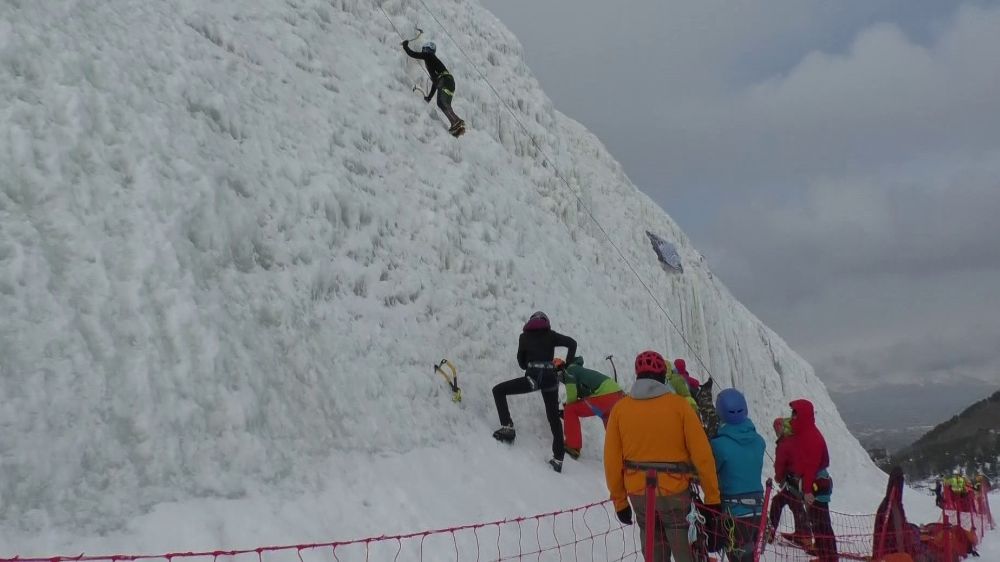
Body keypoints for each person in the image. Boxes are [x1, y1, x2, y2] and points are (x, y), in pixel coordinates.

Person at [603, 350, 720, 562]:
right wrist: (712, 497)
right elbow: (703, 455)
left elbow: (611, 460)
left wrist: (619, 502)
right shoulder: (680, 406)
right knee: (685, 550)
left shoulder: (620, 409)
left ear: (637, 376)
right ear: (663, 376)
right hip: (675, 492)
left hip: (638, 493)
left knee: (653, 549)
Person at [492, 311, 576, 473]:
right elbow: (572, 343)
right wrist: (566, 365)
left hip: (533, 379)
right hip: (550, 380)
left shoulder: (524, 337)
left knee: (498, 390)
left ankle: (508, 428)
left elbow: (521, 363)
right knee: (553, 418)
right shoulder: (551, 335)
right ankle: (558, 459)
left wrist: (529, 361)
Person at [709, 389, 766, 562]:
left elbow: (712, 472)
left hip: (734, 514)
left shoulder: (718, 445)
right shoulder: (759, 441)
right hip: (758, 512)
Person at [786, 399, 838, 562]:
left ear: (802, 415)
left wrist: (807, 490)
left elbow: (811, 466)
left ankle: (829, 558)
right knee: (818, 523)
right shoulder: (805, 433)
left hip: (816, 483)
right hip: (815, 482)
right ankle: (825, 556)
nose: (792, 417)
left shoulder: (811, 437)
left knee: (821, 523)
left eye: (795, 414)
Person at [555, 356, 624, 460]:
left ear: (561, 369)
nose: (559, 378)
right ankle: (624, 454)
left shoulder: (570, 371)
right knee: (611, 427)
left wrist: (565, 412)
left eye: (558, 375)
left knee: (570, 409)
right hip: (617, 396)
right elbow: (582, 400)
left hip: (606, 396)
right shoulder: (578, 371)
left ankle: (573, 446)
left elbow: (572, 398)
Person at [401, 40, 465, 135]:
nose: (423, 51)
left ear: (427, 49)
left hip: (444, 80)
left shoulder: (429, 56)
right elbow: (435, 84)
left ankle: (456, 121)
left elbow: (413, 54)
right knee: (442, 103)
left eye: (424, 49)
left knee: (441, 102)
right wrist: (429, 98)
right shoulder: (432, 62)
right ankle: (456, 126)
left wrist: (405, 46)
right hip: (448, 81)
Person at [769, 417, 810, 546]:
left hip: (790, 481)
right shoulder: (795, 440)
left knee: (783, 503)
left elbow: (780, 464)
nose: (776, 431)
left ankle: (770, 533)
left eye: (777, 429)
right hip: (798, 480)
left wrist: (778, 477)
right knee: (792, 504)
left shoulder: (783, 443)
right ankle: (803, 534)